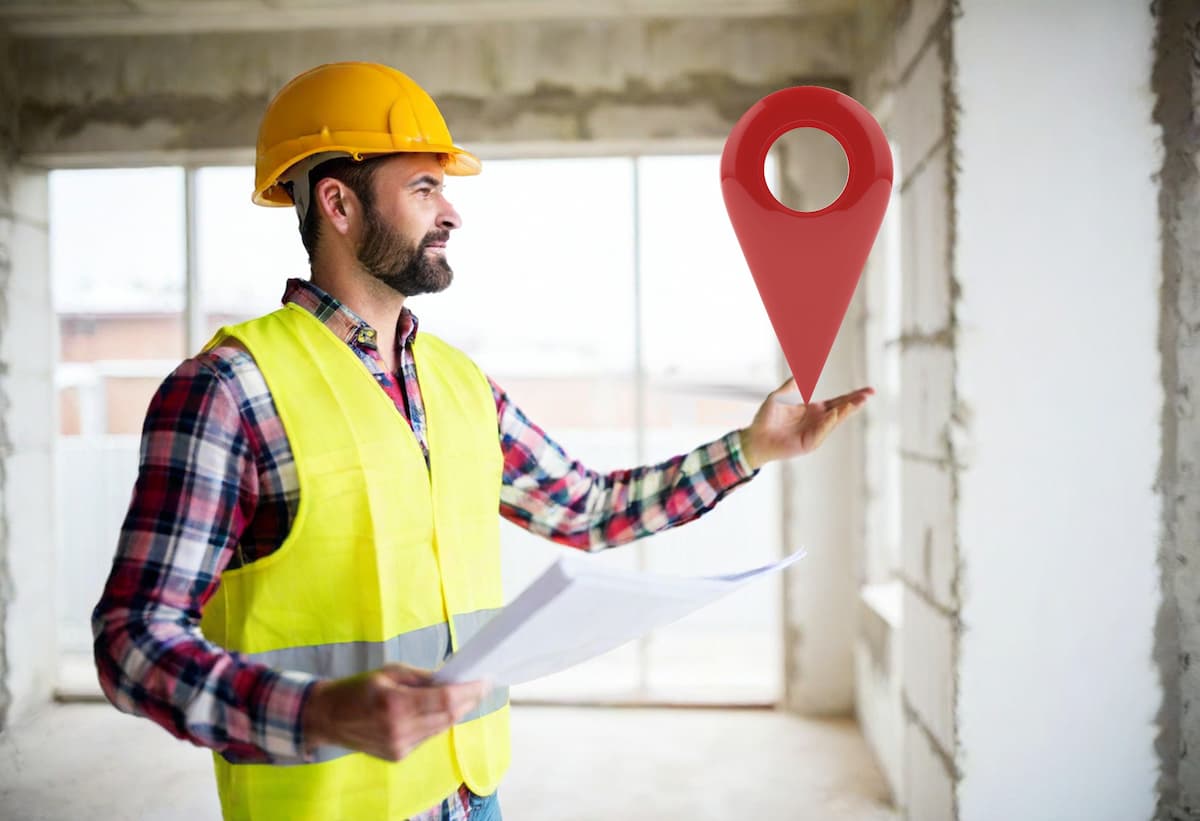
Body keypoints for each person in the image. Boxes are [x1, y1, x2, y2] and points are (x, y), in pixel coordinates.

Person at [92, 61, 874, 821]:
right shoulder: (230, 388)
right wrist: (318, 712)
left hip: (473, 798)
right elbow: (133, 642)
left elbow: (588, 508)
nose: (452, 214)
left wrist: (748, 447)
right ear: (338, 202)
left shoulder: (460, 383)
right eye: (424, 186)